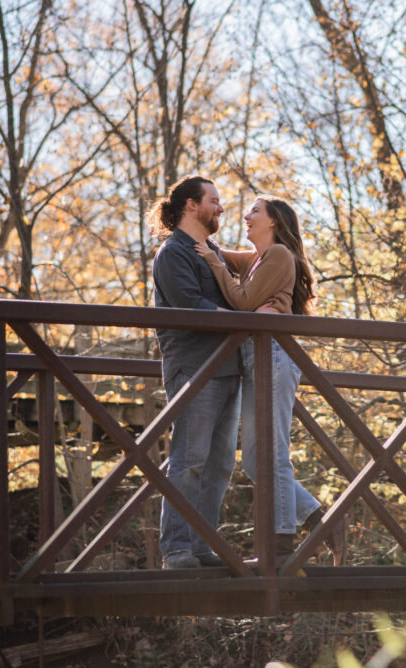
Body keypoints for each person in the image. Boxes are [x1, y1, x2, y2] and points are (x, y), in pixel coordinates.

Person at [194, 195, 346, 565]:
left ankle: (281, 544)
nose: (246, 217)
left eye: (254, 212)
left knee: (272, 452)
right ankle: (320, 520)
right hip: (256, 358)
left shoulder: (278, 256)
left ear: (274, 221)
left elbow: (243, 303)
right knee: (255, 462)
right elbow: (225, 256)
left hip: (275, 355)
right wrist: (196, 238)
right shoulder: (259, 259)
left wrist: (213, 262)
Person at [150, 175, 243, 569]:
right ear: (192, 204)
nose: (221, 207)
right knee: (189, 459)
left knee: (221, 463)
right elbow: (191, 307)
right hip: (194, 368)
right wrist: (242, 321)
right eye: (214, 200)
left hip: (227, 368)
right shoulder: (173, 254)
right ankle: (176, 548)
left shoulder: (214, 252)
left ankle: (202, 544)